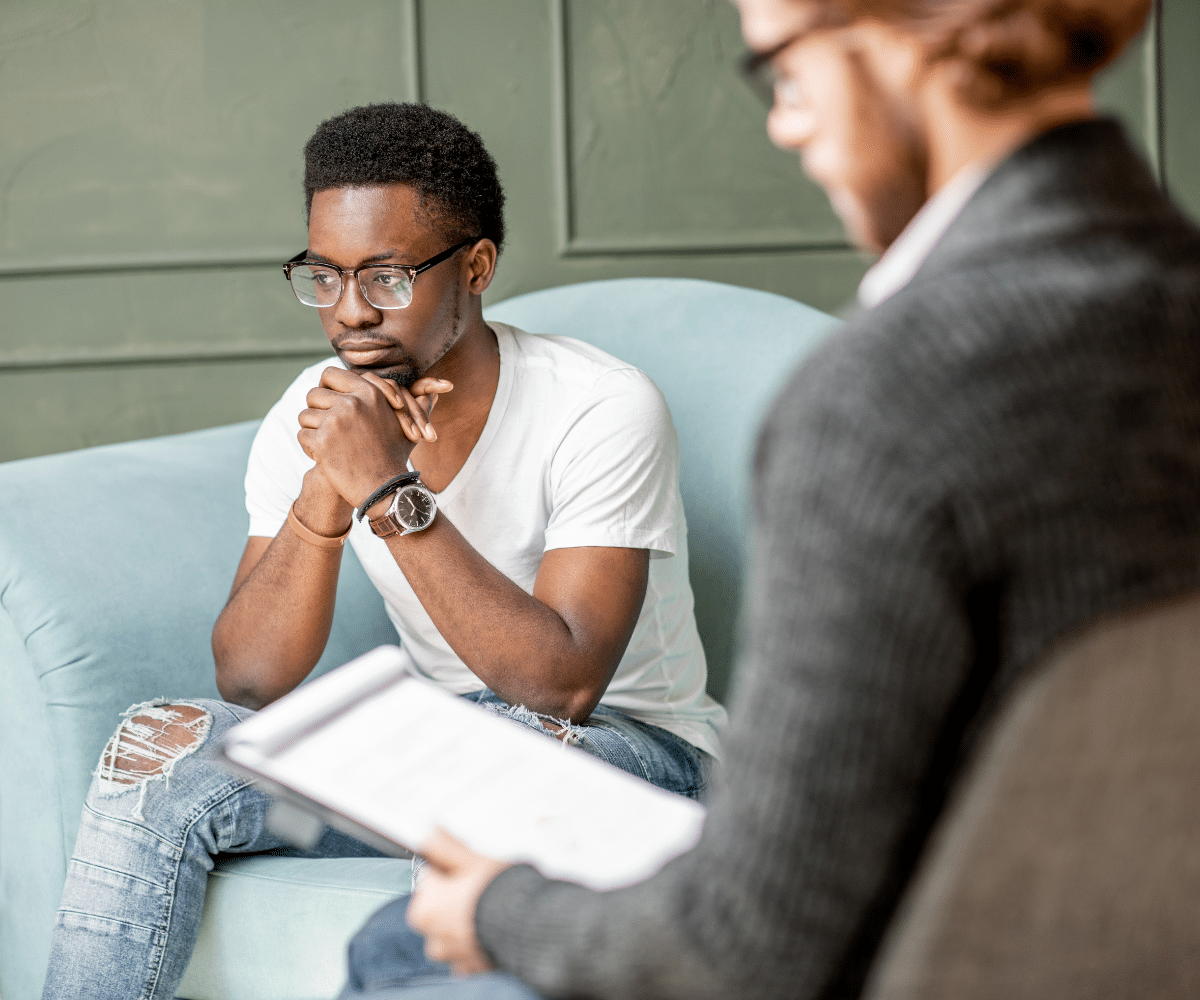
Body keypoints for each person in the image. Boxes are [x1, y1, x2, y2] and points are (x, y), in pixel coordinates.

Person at [347, 1, 1200, 998]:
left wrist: (497, 904)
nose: (783, 126)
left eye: (784, 74)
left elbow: (749, 942)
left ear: (909, 36)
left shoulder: (890, 394)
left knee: (397, 944)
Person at [40, 102, 725, 1000]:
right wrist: (325, 488)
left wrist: (387, 492)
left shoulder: (600, 406)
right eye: (323, 276)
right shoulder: (311, 413)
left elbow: (564, 684)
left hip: (638, 758)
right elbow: (251, 679)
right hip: (442, 754)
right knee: (156, 748)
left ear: (475, 266)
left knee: (498, 749)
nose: (349, 313)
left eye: (388, 278)